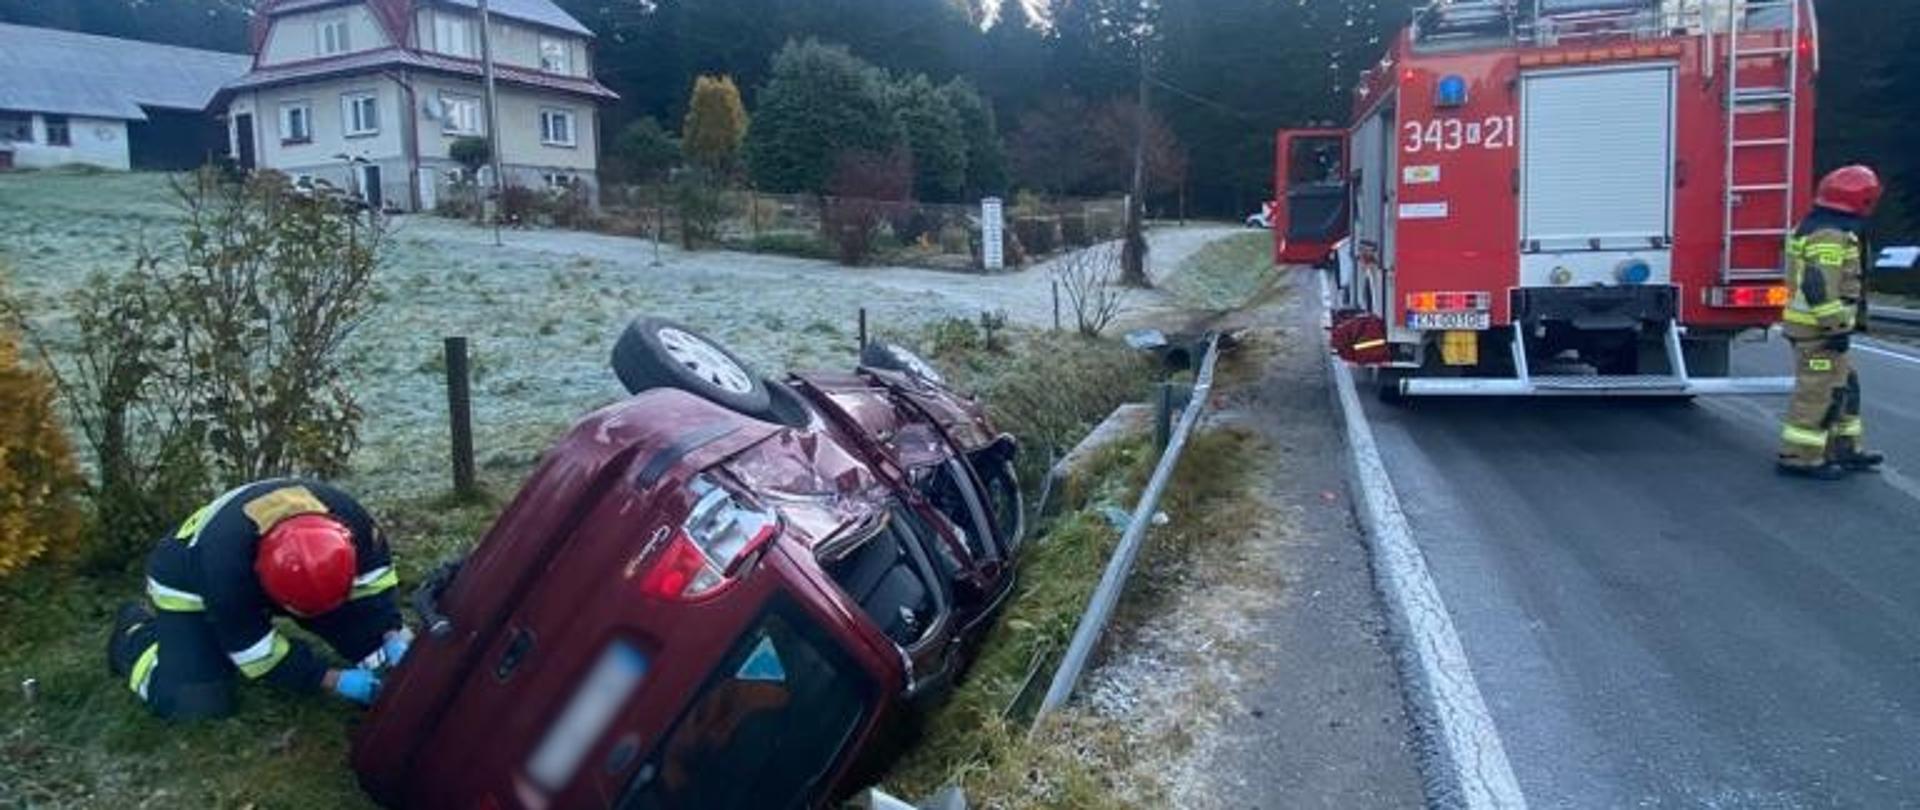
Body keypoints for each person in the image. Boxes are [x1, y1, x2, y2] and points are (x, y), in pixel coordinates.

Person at [106, 479, 412, 720]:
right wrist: (331, 680)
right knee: (198, 702)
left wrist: (391, 634)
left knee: (387, 659)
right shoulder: (224, 570)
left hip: (287, 579)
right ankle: (135, 635)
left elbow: (375, 589)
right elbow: (256, 653)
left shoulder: (355, 523)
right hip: (186, 581)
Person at [1777, 165, 1885, 480]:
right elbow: (1819, 285)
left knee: (1843, 386)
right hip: (1819, 332)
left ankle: (1844, 447)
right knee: (1817, 392)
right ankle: (1800, 457)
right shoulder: (1830, 234)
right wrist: (1836, 327)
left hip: (1816, 329)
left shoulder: (1820, 226)